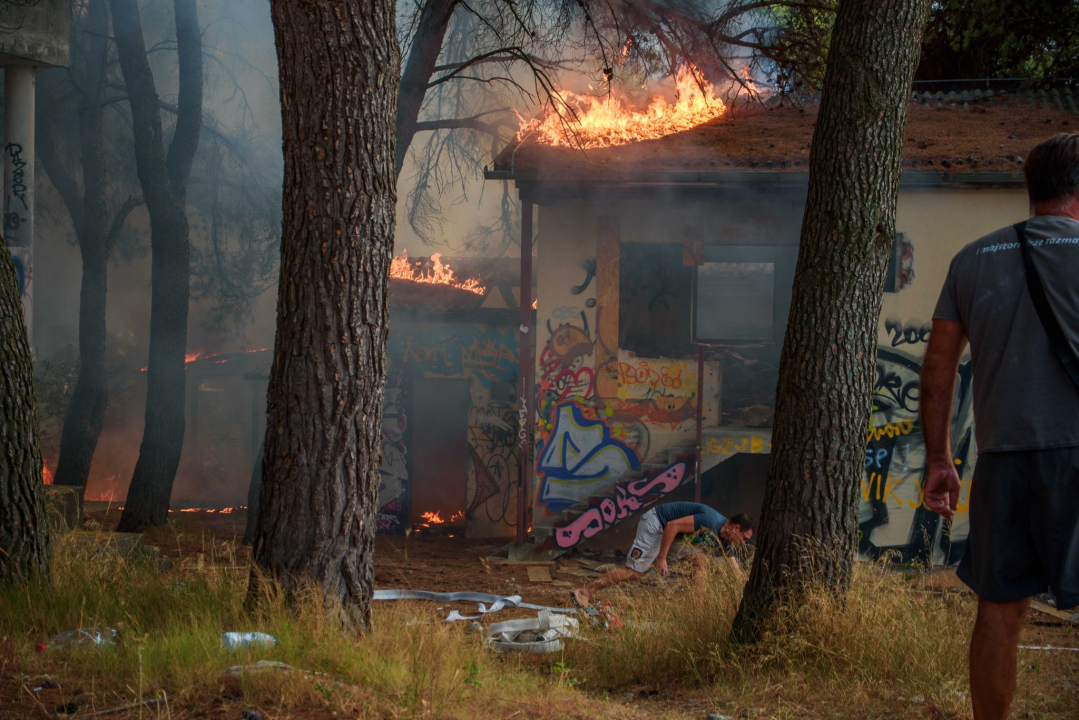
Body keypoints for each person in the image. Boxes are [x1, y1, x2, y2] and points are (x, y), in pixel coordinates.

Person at [922, 133, 1079, 720]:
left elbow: (939, 366)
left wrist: (940, 459)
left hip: (1002, 457)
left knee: (999, 606)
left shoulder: (972, 259)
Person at [571, 502, 753, 606]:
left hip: (672, 533)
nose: (744, 543)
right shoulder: (710, 521)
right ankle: (584, 592)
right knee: (635, 572)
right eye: (744, 538)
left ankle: (696, 606)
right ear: (736, 528)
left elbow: (734, 569)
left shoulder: (725, 539)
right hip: (657, 523)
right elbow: (672, 525)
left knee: (701, 562)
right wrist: (661, 558)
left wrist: (746, 590)